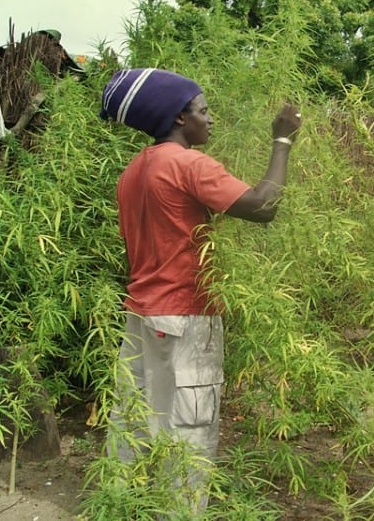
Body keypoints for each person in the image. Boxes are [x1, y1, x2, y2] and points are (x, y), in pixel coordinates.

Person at [99, 67, 301, 505]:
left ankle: (120, 509)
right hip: (187, 317)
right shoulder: (186, 164)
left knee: (135, 424)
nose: (210, 119)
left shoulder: (133, 171)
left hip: (142, 315)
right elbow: (263, 206)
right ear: (177, 118)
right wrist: (282, 141)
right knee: (190, 431)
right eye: (202, 111)